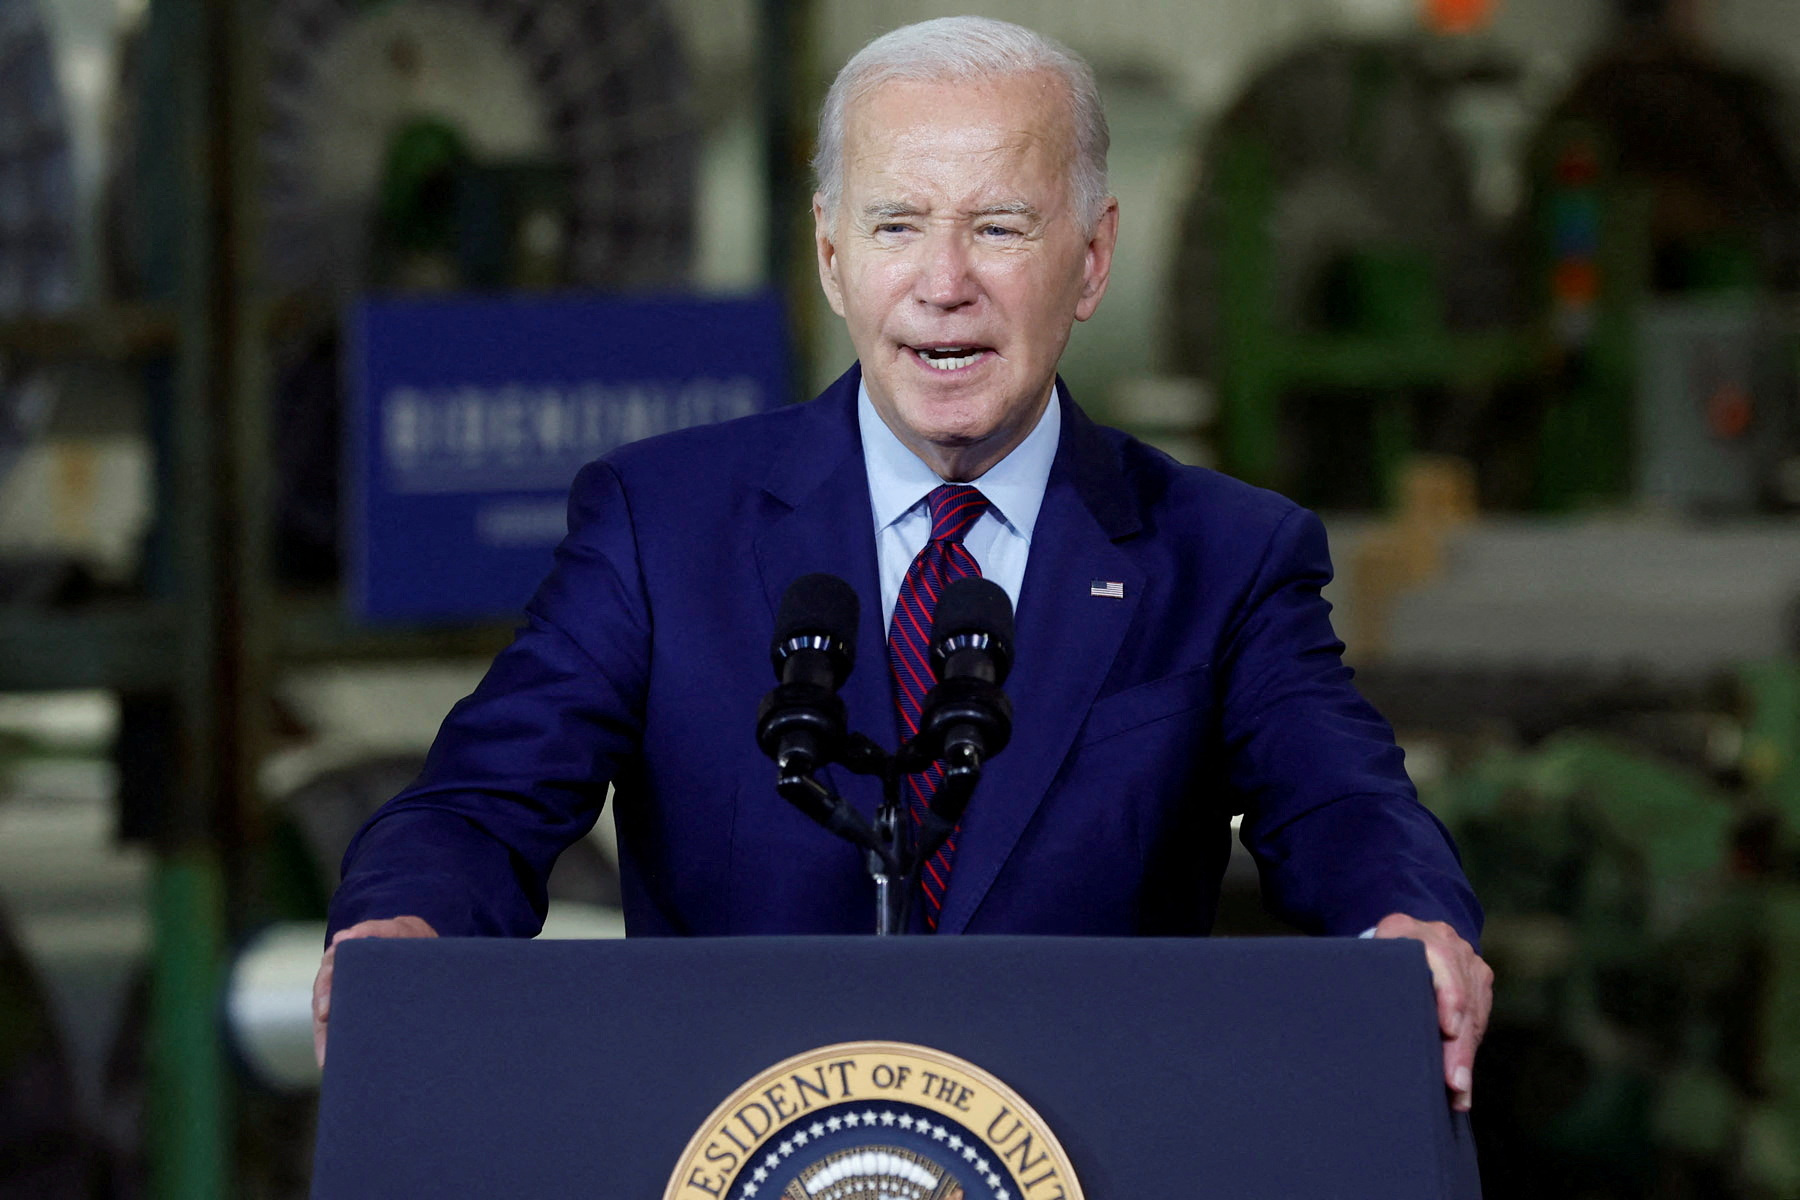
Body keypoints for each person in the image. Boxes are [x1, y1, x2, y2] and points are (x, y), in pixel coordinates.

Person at [313, 15, 1492, 1110]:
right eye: (896, 225)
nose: (944, 282)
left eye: (999, 226)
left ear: (1091, 260)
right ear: (830, 257)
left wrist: (1408, 924)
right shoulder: (659, 526)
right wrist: (401, 928)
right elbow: (480, 805)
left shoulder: (1223, 555)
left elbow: (1346, 803)